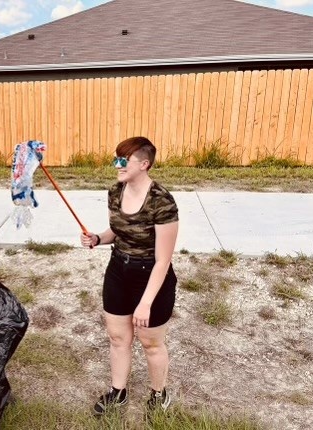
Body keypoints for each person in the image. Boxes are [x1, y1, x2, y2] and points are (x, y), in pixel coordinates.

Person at [80, 136, 179, 416]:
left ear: (144, 164)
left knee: (150, 342)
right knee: (118, 338)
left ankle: (158, 394)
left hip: (151, 276)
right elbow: (118, 231)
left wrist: (145, 303)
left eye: (124, 160)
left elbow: (163, 259)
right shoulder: (115, 191)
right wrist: (99, 238)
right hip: (118, 271)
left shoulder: (162, 201)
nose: (117, 165)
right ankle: (118, 392)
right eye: (116, 159)